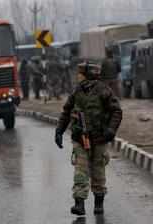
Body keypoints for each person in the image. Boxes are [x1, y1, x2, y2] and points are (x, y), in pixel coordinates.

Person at [54, 62, 122, 215]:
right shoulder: (77, 91)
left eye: (80, 73)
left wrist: (111, 130)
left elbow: (116, 111)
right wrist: (59, 130)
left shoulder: (104, 90)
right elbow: (67, 111)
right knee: (81, 170)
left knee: (98, 170)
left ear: (88, 74)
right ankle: (79, 204)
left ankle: (99, 203)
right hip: (80, 138)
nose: (78, 76)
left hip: (99, 138)